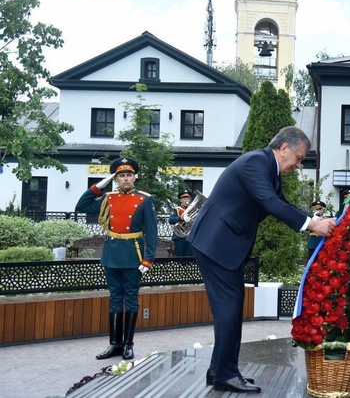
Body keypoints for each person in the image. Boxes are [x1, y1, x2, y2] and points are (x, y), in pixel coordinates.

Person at [187, 126, 335, 394]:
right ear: (285, 148)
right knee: (229, 310)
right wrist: (313, 225)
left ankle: (219, 369)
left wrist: (318, 221)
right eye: (300, 158)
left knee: (230, 309)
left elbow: (282, 203)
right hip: (216, 242)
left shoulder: (268, 168)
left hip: (222, 243)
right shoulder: (257, 162)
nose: (299, 165)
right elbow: (269, 202)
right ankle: (225, 374)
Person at [75, 157, 157, 361]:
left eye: (129, 175)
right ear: (116, 179)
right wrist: (100, 185)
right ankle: (114, 344)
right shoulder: (108, 198)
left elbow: (152, 232)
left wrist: (148, 259)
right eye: (121, 176)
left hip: (132, 255)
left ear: (134, 177)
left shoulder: (145, 199)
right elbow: (81, 206)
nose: (125, 178)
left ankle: (128, 344)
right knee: (114, 299)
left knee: (130, 299)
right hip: (111, 255)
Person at [168, 189, 194, 257]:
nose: (187, 201)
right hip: (179, 237)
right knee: (179, 257)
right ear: (181, 200)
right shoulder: (177, 210)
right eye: (185, 199)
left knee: (189, 257)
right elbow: (170, 220)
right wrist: (181, 218)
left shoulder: (193, 210)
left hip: (190, 236)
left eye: (188, 199)